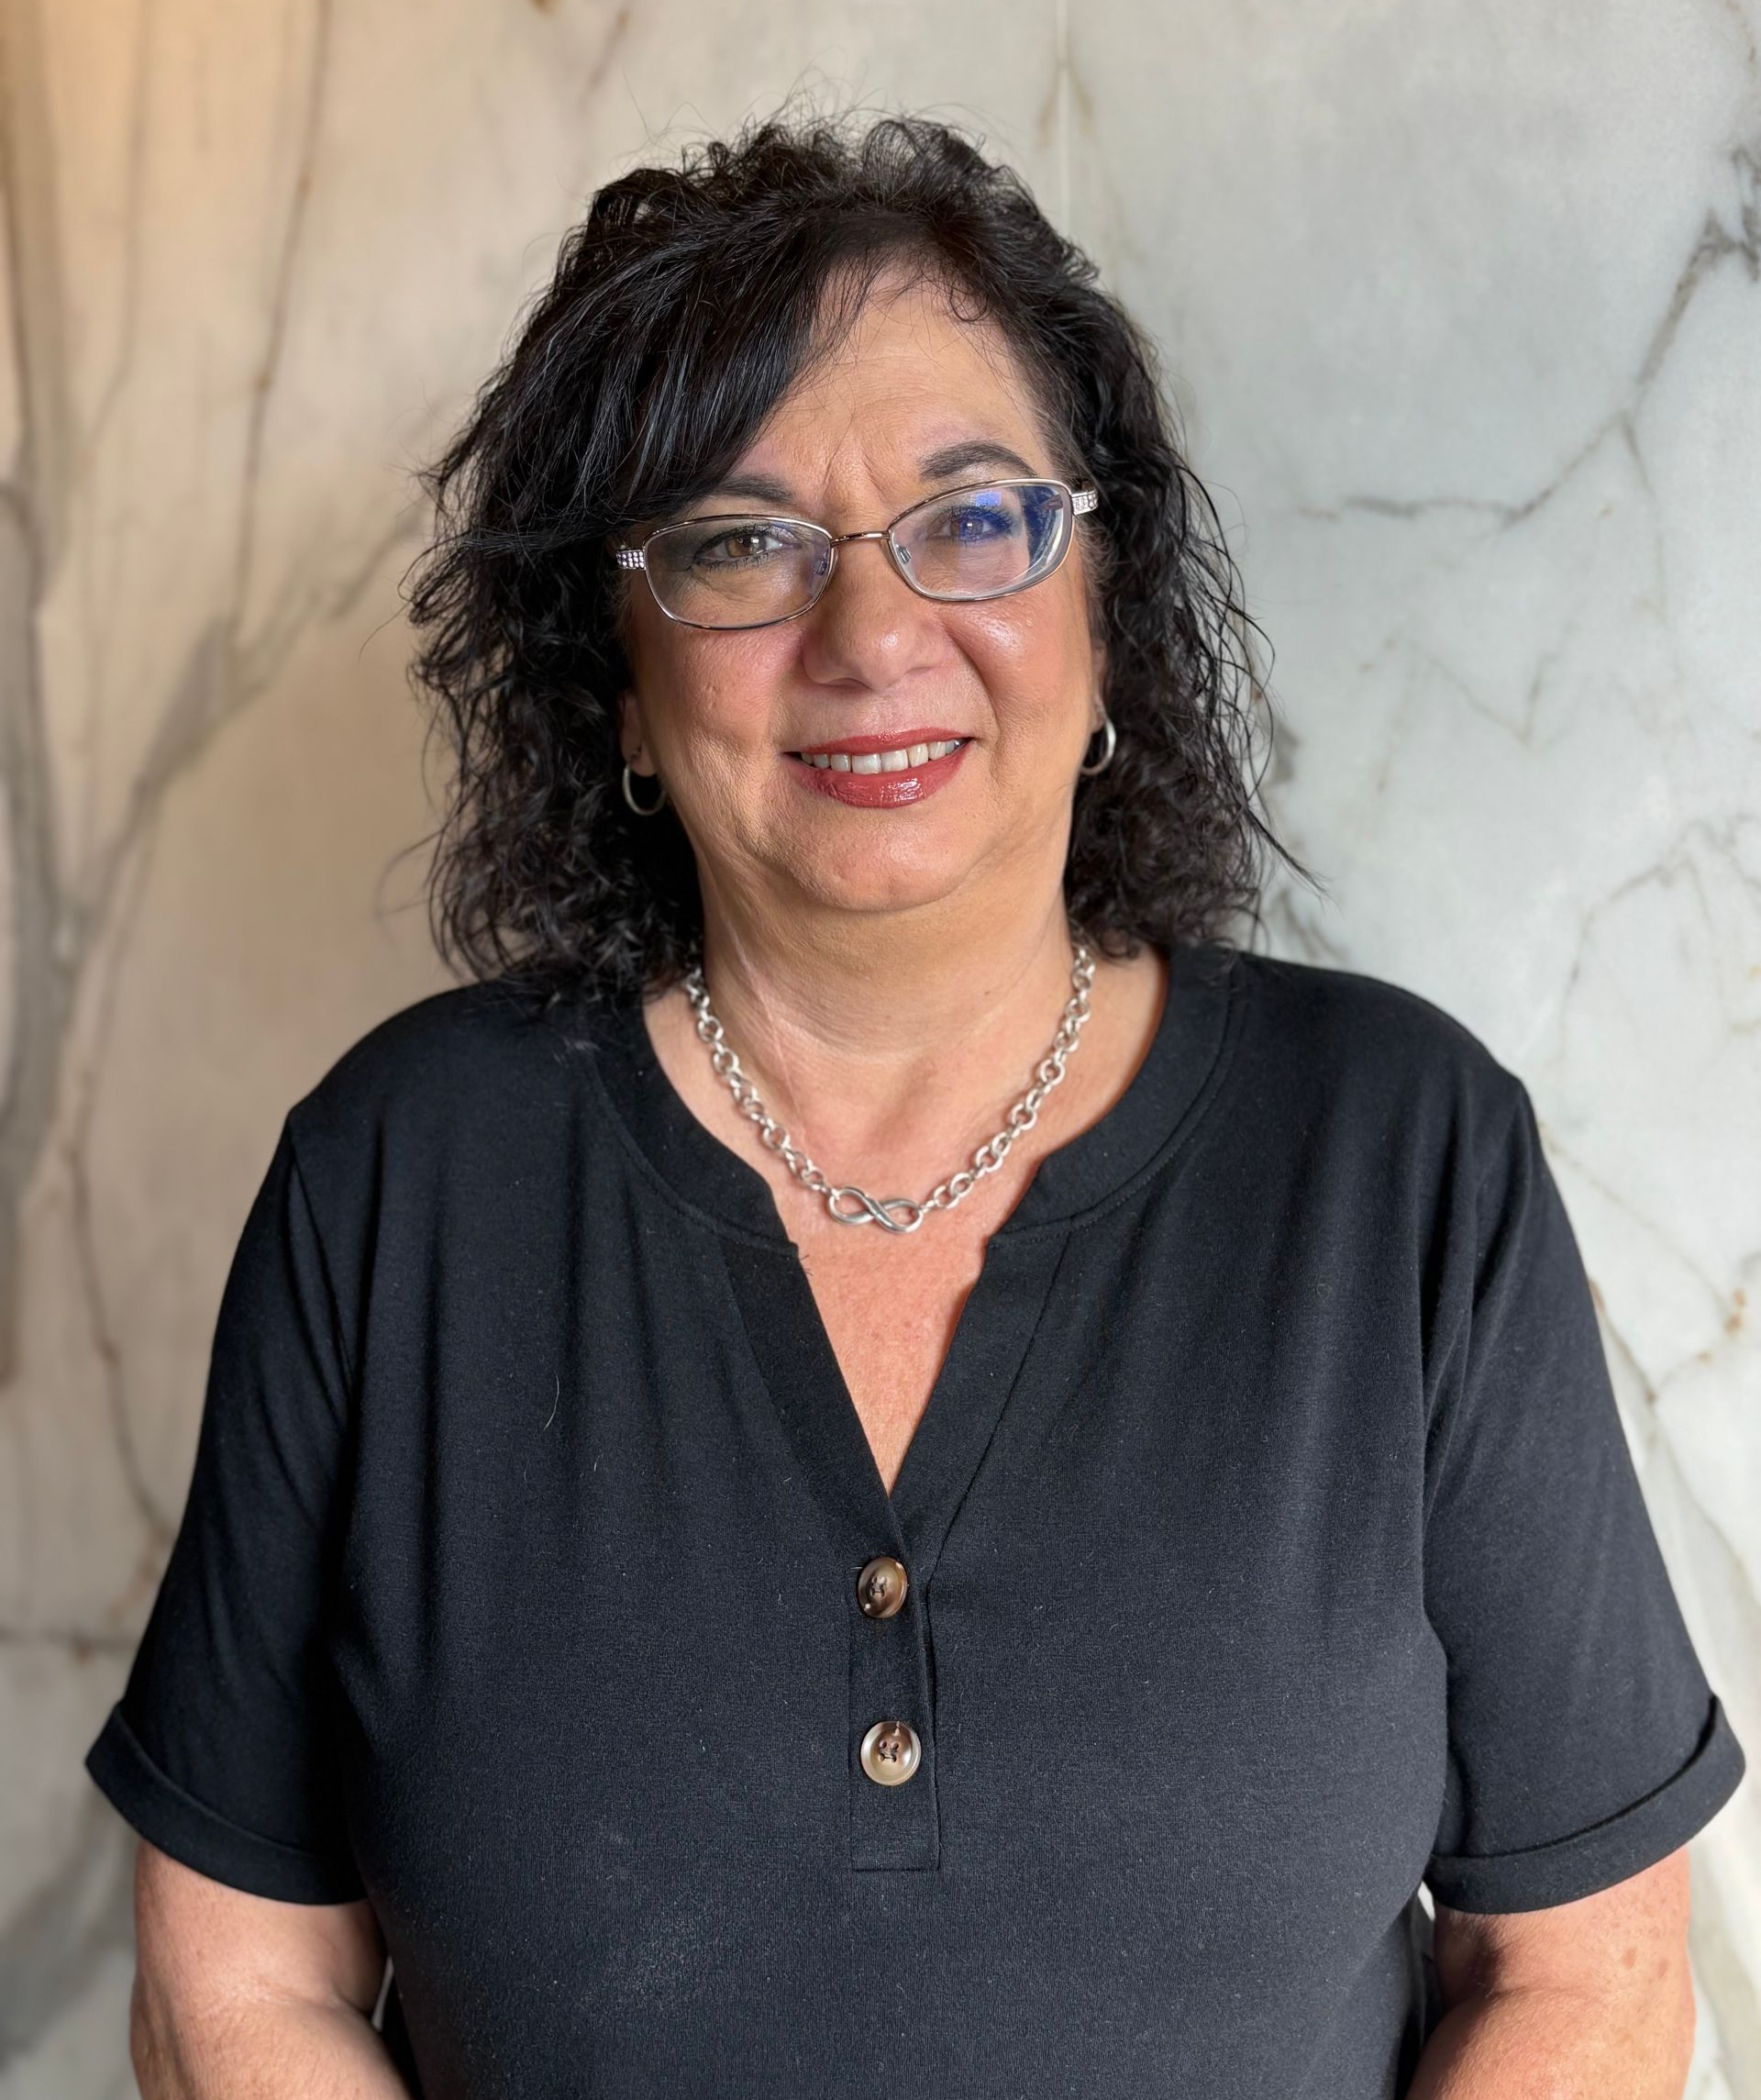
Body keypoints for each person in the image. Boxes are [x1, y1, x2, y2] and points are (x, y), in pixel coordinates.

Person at [87, 112, 1744, 2099]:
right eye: (739, 542)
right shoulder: (397, 1184)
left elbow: (1589, 1981)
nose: (870, 640)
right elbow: (229, 1987)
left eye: (975, 520)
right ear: (615, 675)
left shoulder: (1405, 1165)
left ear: (1098, 604)